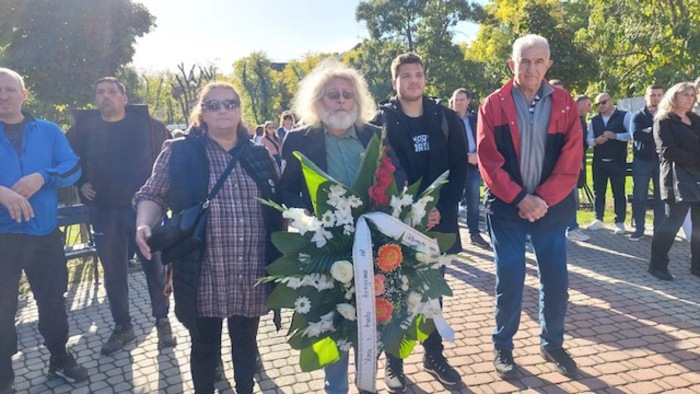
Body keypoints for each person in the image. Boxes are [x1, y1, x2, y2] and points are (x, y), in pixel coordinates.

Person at [134, 81, 282, 394]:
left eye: (230, 103)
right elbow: (152, 194)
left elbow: (277, 206)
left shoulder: (258, 155)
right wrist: (143, 224)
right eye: (213, 105)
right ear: (202, 112)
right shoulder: (179, 150)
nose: (223, 110)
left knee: (246, 346)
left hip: (251, 272)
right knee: (203, 349)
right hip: (202, 272)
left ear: (240, 110)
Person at [279, 59, 403, 394]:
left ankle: (367, 383)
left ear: (358, 100)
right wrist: (307, 219)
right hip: (325, 249)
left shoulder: (374, 135)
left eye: (347, 94)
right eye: (332, 94)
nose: (340, 101)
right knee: (334, 324)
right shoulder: (298, 139)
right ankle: (336, 388)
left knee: (371, 318)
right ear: (317, 100)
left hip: (374, 246)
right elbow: (287, 189)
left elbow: (395, 180)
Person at [477, 34, 582, 380]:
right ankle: (503, 346)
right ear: (512, 64)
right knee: (510, 279)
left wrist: (542, 201)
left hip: (550, 212)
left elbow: (571, 160)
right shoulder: (492, 104)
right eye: (524, 61)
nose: (531, 68)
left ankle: (552, 343)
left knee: (556, 281)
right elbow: (489, 161)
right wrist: (521, 198)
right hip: (508, 210)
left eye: (538, 61)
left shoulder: (565, 104)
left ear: (548, 65)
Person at [66, 77, 175, 356]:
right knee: (114, 274)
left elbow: (170, 160)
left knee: (156, 270)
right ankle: (123, 326)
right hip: (104, 212)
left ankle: (163, 321)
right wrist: (81, 183)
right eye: (100, 92)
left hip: (145, 212)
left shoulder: (150, 126)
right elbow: (66, 160)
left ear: (124, 98)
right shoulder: (82, 130)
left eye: (112, 92)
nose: (106, 97)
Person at [378, 52, 467, 392]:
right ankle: (394, 362)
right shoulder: (380, 121)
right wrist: (407, 212)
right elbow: (380, 172)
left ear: (424, 78)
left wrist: (442, 208)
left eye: (418, 74)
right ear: (395, 82)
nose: (413, 80)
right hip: (396, 226)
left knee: (432, 294)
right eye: (406, 75)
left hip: (437, 225)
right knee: (393, 293)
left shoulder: (445, 118)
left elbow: (460, 168)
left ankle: (433, 354)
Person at [0, 68, 88, 393]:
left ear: (23, 94)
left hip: (43, 235)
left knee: (52, 301)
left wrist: (42, 176)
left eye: (10, 89)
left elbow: (73, 167)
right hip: (2, 239)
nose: (3, 95)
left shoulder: (49, 131)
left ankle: (58, 359)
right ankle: (4, 376)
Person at [648, 82, 700, 281]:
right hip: (676, 178)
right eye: (685, 94)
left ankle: (697, 266)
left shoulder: (695, 120)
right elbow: (667, 150)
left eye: (692, 94)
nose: (689, 98)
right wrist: (696, 159)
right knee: (673, 222)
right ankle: (657, 264)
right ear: (674, 97)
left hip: (697, 176)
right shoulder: (664, 121)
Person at [585, 92, 632, 234]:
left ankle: (620, 221)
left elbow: (632, 134)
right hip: (599, 160)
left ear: (611, 101)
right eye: (598, 104)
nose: (601, 106)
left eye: (603, 102)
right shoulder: (594, 120)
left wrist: (616, 136)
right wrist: (595, 141)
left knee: (619, 191)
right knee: (598, 191)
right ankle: (598, 218)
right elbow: (588, 139)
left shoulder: (625, 116)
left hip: (618, 160)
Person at [450, 88, 490, 248]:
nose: (458, 103)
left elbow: (484, 138)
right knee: (452, 203)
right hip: (456, 168)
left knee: (473, 203)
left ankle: (474, 234)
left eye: (461, 99)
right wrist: (465, 156)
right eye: (456, 100)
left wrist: (479, 156)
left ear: (468, 101)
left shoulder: (476, 118)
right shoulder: (448, 119)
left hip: (473, 168)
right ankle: (452, 237)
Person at [629, 84, 665, 241]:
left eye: (658, 95)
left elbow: (669, 137)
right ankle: (639, 229)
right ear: (646, 96)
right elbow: (637, 135)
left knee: (661, 197)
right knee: (640, 197)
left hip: (661, 162)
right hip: (642, 161)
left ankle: (660, 230)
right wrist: (656, 133)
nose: (655, 98)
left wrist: (649, 131)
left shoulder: (666, 116)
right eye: (652, 95)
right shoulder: (637, 116)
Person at [566, 95, 592, 242]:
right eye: (588, 105)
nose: (590, 108)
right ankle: (571, 228)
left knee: (571, 197)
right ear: (580, 103)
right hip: (569, 163)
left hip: (576, 162)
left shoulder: (580, 120)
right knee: (570, 197)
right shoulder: (570, 118)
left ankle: (572, 227)